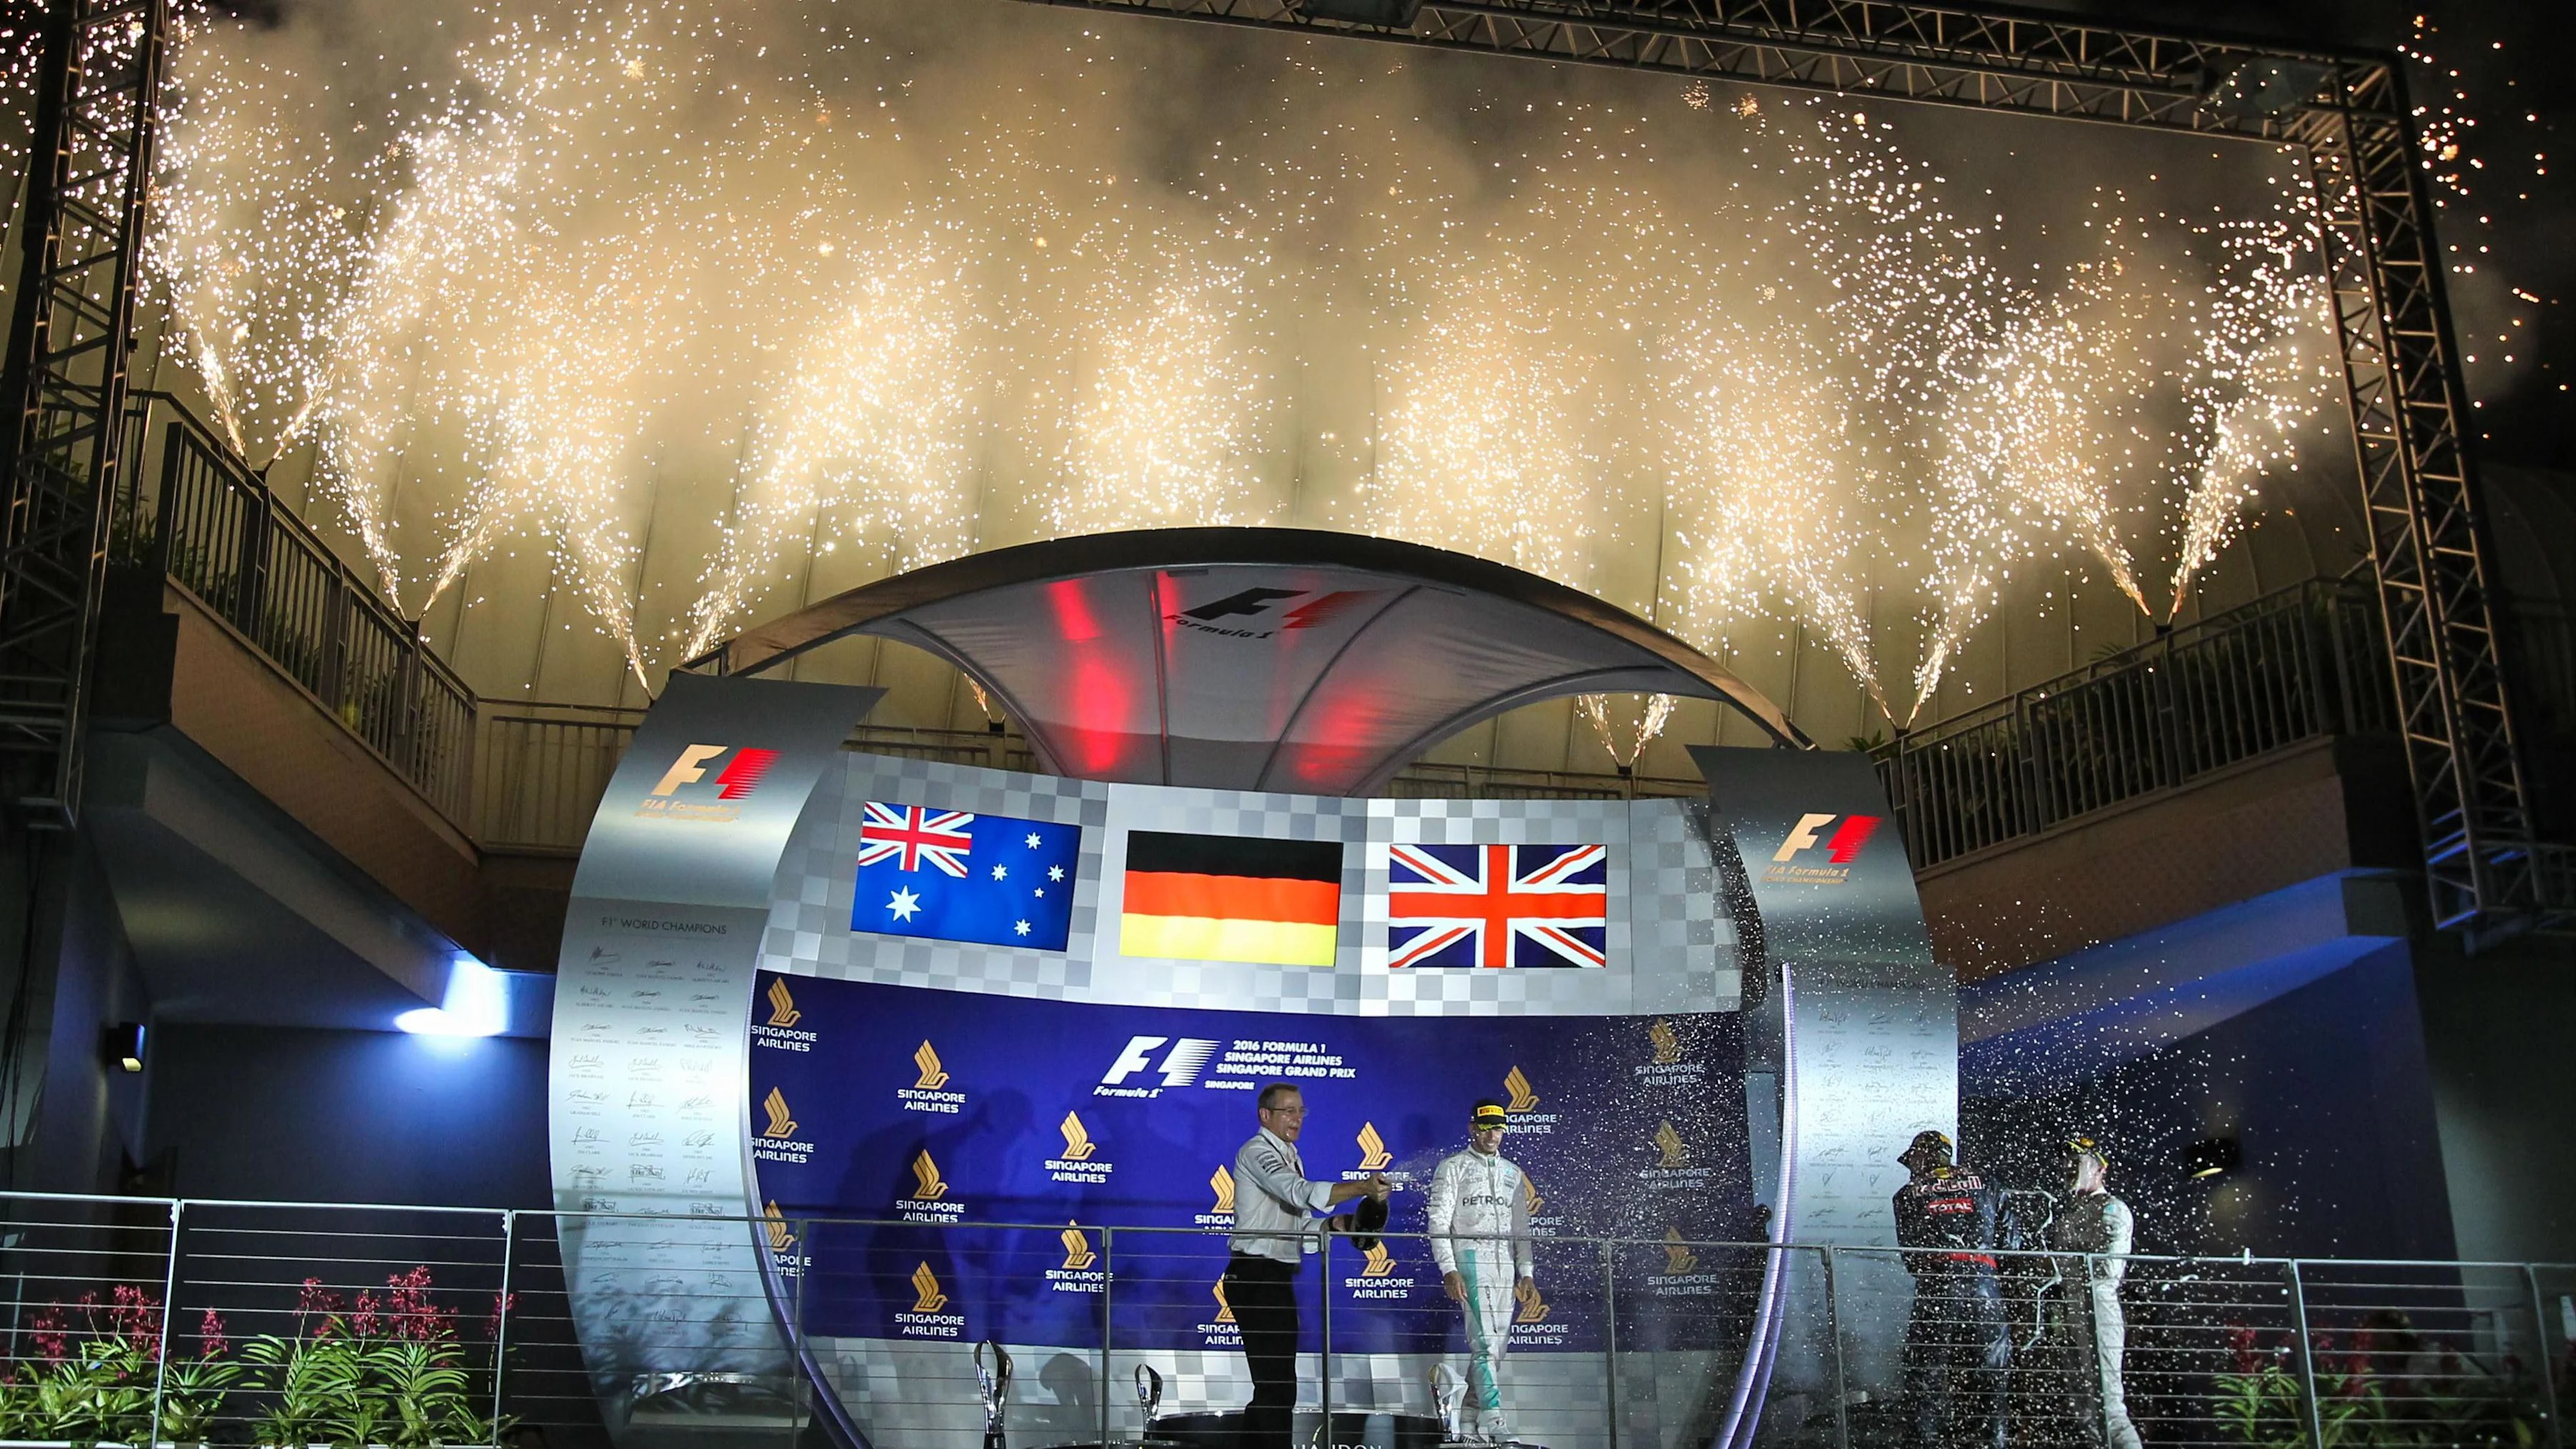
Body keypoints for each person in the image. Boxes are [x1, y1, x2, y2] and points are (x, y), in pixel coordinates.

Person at [1225, 1083, 1391, 1449]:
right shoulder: (1257, 1151)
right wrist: (1361, 1186)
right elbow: (1298, 1191)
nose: (1297, 1118)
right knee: (1276, 1385)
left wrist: (1337, 1225)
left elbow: (1298, 1227)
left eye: (1301, 1111)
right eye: (1288, 1111)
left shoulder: (1290, 1154)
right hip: (1255, 1275)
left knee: (1275, 1384)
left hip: (1274, 1277)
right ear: (1265, 1115)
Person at [1891, 1129, 2012, 1449]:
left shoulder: (1908, 1193)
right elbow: (2014, 1244)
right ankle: (1991, 1443)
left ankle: (1924, 1443)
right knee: (1992, 1380)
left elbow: (1911, 1259)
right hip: (1986, 1288)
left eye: (1913, 1158)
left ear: (1923, 1155)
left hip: (1938, 1289)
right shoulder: (1988, 1182)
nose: (1912, 1165)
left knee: (1925, 1377)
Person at [1425, 1100, 1535, 1444]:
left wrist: (1527, 1272)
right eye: (1485, 1127)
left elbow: (1522, 1229)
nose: (1492, 1134)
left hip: (1505, 1264)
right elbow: (1439, 1222)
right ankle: (1498, 1425)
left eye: (1498, 1127)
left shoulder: (1513, 1173)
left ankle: (1469, 1422)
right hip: (1471, 1258)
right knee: (1485, 1344)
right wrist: (1449, 1268)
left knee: (1494, 1350)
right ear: (1473, 1127)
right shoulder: (1453, 1167)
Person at [2048, 1135, 2142, 1449]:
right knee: (2085, 1413)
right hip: (2074, 1311)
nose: (2068, 1168)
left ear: (2100, 1169)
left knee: (2109, 1409)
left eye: (2077, 1163)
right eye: (2066, 1163)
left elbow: (2107, 1271)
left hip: (2099, 1310)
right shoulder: (2071, 1212)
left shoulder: (2112, 1208)